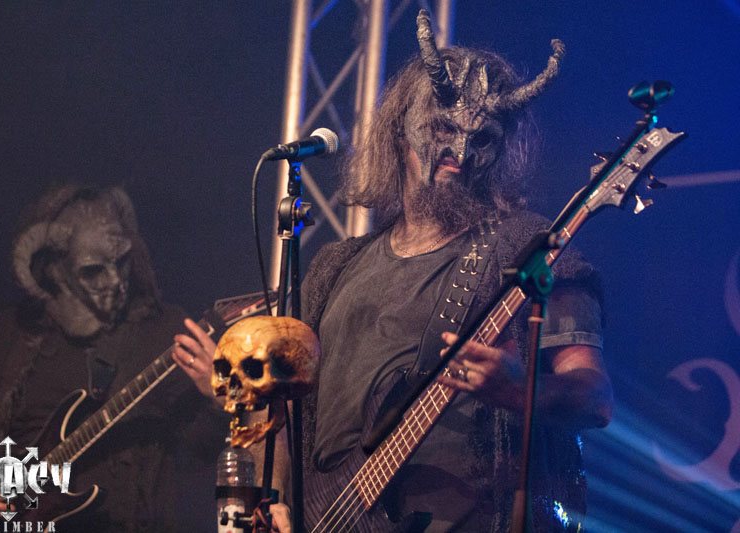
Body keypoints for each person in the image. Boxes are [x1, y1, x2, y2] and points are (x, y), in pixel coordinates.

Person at [178, 10, 613, 532]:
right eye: (443, 128)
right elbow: (288, 418)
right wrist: (278, 503)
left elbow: (595, 398)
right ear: (399, 130)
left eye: (482, 139)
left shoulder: (528, 249)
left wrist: (519, 388)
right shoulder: (335, 268)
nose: (459, 152)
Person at [0, 185, 227, 531]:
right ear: (55, 270)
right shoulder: (6, 335)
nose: (116, 281)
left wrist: (219, 397)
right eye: (93, 270)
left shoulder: (165, 332)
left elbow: (199, 451)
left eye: (122, 261)